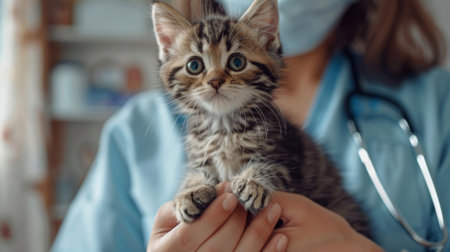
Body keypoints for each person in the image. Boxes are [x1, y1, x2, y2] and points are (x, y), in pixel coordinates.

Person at [51, 0, 450, 251]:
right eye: (196, 67)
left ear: (268, 39)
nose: (215, 80)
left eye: (236, 62)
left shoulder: (437, 105)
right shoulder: (134, 129)